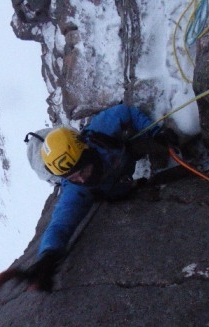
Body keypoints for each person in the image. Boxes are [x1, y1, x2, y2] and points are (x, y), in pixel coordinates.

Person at [25, 103, 177, 291]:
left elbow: (124, 112)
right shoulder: (76, 190)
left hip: (124, 158)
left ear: (87, 152)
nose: (81, 179)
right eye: (73, 177)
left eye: (83, 170)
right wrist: (48, 255)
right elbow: (60, 224)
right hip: (121, 174)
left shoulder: (98, 134)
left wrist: (155, 132)